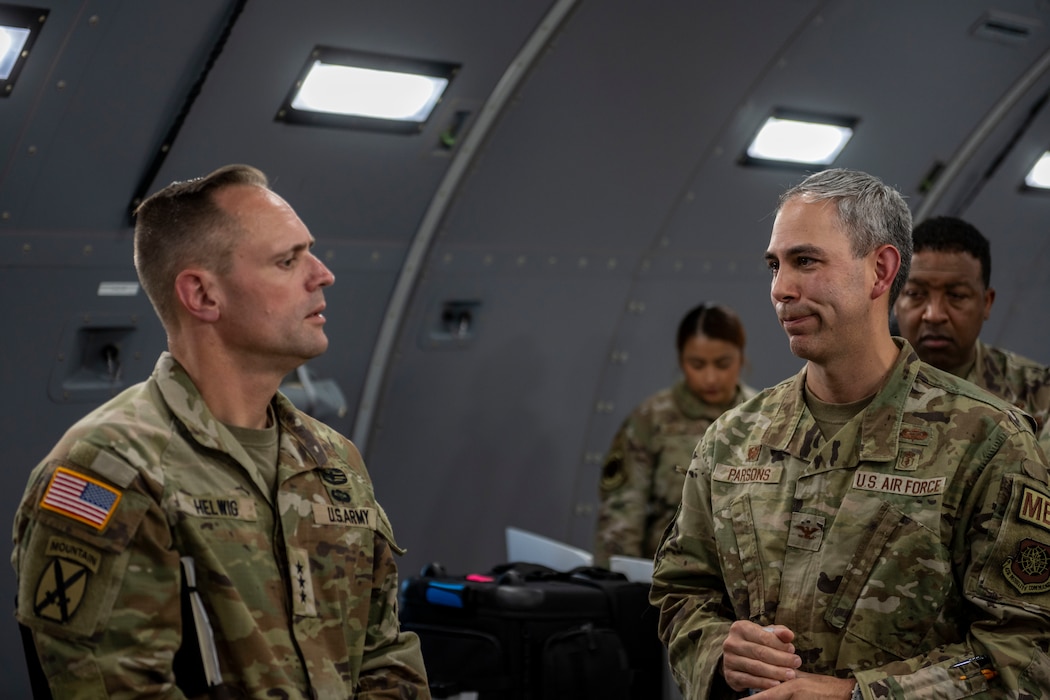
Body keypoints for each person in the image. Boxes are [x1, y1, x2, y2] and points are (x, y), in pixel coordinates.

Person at [12, 164, 431, 698]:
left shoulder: (331, 460)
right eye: (287, 261)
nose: (322, 274)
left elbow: (385, 654)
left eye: (310, 252)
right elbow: (115, 686)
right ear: (203, 296)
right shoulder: (114, 467)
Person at [650, 168, 1050, 699]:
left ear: (880, 271)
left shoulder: (985, 441)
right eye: (775, 265)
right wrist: (721, 651)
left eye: (806, 262)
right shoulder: (733, 439)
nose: (781, 289)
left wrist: (854, 697)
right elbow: (683, 591)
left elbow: (1024, 654)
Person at [593, 303, 754, 568]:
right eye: (697, 364)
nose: (711, 377)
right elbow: (621, 516)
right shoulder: (651, 419)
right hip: (669, 582)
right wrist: (617, 586)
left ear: (741, 358)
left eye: (723, 364)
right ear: (681, 361)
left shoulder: (765, 418)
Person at [893, 215, 1050, 451]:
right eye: (915, 293)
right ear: (894, 300)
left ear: (986, 303)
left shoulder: (1038, 392)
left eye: (956, 296)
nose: (934, 314)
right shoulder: (857, 387)